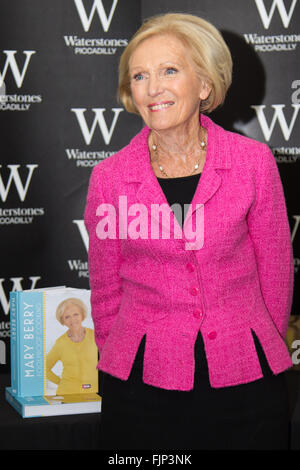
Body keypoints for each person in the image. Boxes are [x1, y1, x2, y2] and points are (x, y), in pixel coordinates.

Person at [84, 13, 294, 450]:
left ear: (204, 85)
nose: (152, 87)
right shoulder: (109, 178)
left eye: (169, 71)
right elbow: (105, 288)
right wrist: (115, 359)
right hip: (141, 386)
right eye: (140, 76)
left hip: (247, 378)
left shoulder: (253, 162)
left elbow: (275, 272)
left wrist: (258, 347)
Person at [46, 297, 98, 395]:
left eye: (75, 314)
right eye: (67, 317)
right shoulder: (60, 343)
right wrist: (61, 383)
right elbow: (44, 368)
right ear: (62, 321)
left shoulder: (95, 336)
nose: (72, 319)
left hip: (93, 393)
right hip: (67, 394)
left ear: (82, 315)